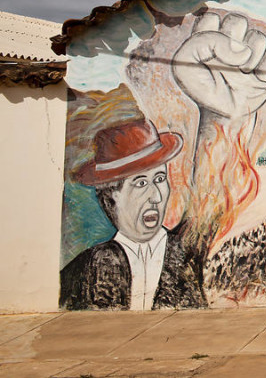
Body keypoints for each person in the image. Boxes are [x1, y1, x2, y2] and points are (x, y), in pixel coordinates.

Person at [60, 118, 206, 310]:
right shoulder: (83, 270)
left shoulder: (192, 254)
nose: (156, 196)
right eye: (141, 183)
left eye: (160, 179)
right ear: (110, 198)